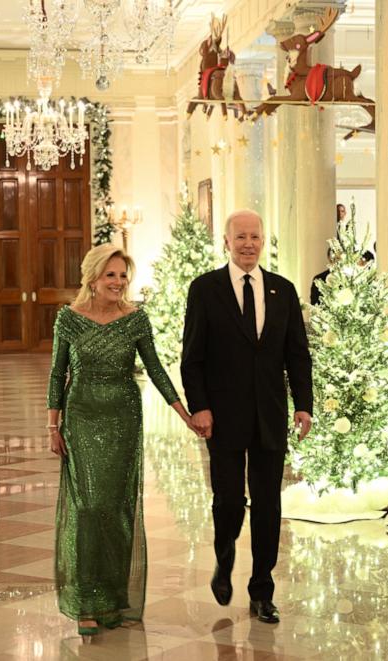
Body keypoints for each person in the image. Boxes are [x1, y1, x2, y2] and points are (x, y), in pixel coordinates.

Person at [46, 245, 195, 639]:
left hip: (124, 419)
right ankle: (86, 600)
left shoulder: (135, 320)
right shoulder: (69, 320)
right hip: (81, 417)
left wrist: (183, 413)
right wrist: (53, 426)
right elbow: (56, 373)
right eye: (110, 275)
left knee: (117, 508)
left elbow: (157, 369)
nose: (118, 282)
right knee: (90, 508)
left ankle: (113, 598)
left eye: (123, 275)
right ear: (93, 279)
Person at [181, 209, 313, 624]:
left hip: (270, 416)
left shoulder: (283, 290)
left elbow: (297, 355)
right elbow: (192, 358)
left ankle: (262, 590)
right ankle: (224, 557)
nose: (248, 243)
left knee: (268, 503)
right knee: (229, 500)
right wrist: (199, 406)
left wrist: (303, 405)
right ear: (226, 241)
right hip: (222, 417)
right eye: (240, 236)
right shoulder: (205, 289)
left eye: (255, 236)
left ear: (262, 240)